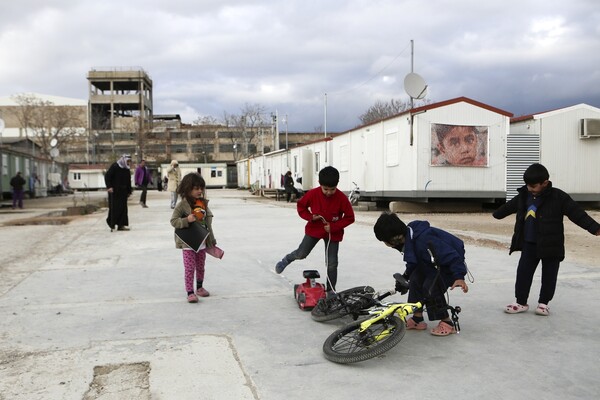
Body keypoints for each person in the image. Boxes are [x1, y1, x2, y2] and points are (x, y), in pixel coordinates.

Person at [493, 163, 600, 316]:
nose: (530, 189)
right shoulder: (525, 195)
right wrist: (497, 214)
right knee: (523, 273)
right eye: (527, 185)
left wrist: (595, 228)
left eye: (533, 186)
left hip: (551, 244)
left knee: (549, 275)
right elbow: (510, 206)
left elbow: (577, 214)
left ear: (545, 182)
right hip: (529, 243)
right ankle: (521, 302)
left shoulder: (559, 197)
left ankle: (544, 303)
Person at [373, 212, 469, 336]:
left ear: (393, 239)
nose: (385, 244)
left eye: (384, 241)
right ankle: (418, 319)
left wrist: (459, 277)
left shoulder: (424, 240)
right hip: (431, 264)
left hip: (447, 267)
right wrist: (406, 276)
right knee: (415, 280)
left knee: (430, 287)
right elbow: (412, 260)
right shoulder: (409, 238)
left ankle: (447, 322)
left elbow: (452, 256)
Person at [275, 166, 355, 294]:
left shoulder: (341, 198)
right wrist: (310, 217)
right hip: (314, 230)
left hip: (332, 234)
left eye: (332, 189)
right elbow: (301, 206)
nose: (329, 192)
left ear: (337, 185)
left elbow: (350, 217)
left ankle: (330, 291)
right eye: (325, 189)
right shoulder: (312, 194)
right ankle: (287, 259)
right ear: (320, 184)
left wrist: (334, 227)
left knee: (332, 263)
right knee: (302, 253)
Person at [170, 173, 218, 303]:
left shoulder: (203, 204)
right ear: (187, 188)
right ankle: (190, 292)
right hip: (188, 243)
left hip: (202, 242)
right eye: (196, 188)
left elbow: (208, 225)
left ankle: (200, 288)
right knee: (190, 268)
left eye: (201, 188)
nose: (200, 191)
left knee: (201, 266)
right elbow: (174, 221)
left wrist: (212, 241)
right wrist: (187, 220)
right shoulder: (181, 206)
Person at [104, 154, 133, 231]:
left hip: (123, 192)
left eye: (129, 161)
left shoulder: (126, 169)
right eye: (127, 161)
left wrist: (129, 191)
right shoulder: (115, 166)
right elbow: (107, 176)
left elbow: (128, 181)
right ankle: (111, 223)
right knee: (114, 208)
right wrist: (109, 187)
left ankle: (121, 225)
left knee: (123, 209)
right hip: (114, 191)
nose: (128, 163)